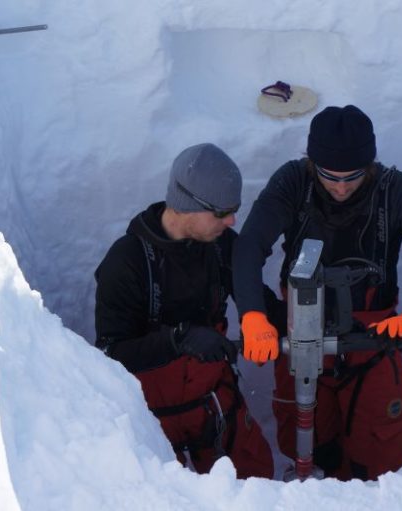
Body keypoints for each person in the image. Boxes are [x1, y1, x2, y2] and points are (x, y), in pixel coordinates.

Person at [232, 105, 402, 481]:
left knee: (383, 450)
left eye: (353, 176)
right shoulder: (293, 182)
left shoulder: (395, 191)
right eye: (329, 176)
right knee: (303, 436)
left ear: (370, 165)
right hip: (300, 331)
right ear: (312, 163)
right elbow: (248, 247)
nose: (341, 187)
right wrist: (253, 314)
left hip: (372, 340)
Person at [94, 143, 274, 478]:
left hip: (213, 403)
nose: (232, 220)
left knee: (257, 482)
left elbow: (258, 301)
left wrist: (276, 321)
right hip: (151, 416)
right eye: (222, 212)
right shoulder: (127, 263)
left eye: (234, 209)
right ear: (187, 205)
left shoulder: (221, 246)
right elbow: (110, 353)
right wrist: (179, 340)